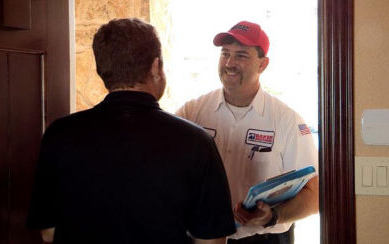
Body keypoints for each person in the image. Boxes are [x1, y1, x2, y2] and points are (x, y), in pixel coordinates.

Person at [27, 18, 236, 244]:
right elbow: (212, 240)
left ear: (101, 69)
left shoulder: (59, 135)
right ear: (156, 67)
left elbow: (48, 232)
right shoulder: (196, 142)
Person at [176, 21, 319, 244]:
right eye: (225, 54)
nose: (230, 63)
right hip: (202, 238)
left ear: (263, 64)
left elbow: (314, 194)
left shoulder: (288, 121)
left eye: (241, 55)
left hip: (264, 238)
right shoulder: (192, 111)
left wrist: (273, 216)